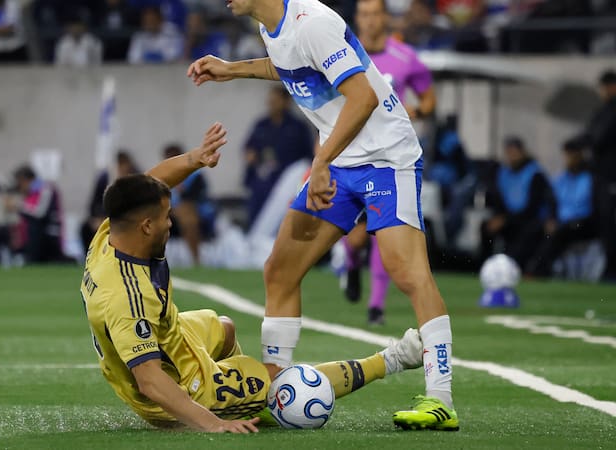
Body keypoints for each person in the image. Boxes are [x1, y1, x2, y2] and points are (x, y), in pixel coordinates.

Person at [187, 0, 458, 430]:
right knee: (280, 269)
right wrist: (232, 69)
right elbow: (289, 67)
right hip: (341, 159)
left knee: (407, 272)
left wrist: (320, 162)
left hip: (385, 157)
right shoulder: (271, 27)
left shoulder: (311, 23)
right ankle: (274, 390)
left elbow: (364, 97)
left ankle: (441, 399)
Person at [80, 122, 424, 432]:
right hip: (180, 385)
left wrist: (195, 159)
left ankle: (243, 391)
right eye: (166, 217)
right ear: (146, 226)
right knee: (285, 385)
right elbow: (150, 382)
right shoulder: (128, 298)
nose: (171, 223)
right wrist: (213, 423)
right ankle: (392, 359)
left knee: (224, 327)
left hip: (172, 336)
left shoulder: (112, 233)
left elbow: (152, 182)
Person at [342, 0, 437, 325]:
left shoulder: (405, 57)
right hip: (352, 156)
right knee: (355, 238)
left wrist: (416, 111)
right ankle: (351, 262)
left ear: (385, 17)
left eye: (374, 14)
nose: (369, 21)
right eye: (364, 15)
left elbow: (428, 98)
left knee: (385, 233)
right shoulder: (344, 54)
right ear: (357, 18)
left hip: (391, 161)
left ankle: (376, 306)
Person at [525, 139, 599, 277]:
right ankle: (522, 265)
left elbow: (598, 209)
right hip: (561, 222)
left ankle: (538, 271)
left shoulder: (591, 178)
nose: (568, 159)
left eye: (571, 155)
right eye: (566, 155)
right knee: (533, 228)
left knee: (559, 232)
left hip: (583, 224)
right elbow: (552, 202)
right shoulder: (562, 179)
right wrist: (551, 219)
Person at [480, 136, 556, 269]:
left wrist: (506, 219)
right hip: (510, 219)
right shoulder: (503, 173)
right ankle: (486, 265)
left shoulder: (535, 174)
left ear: (522, 152)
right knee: (486, 227)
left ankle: (517, 266)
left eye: (514, 152)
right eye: (509, 153)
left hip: (529, 220)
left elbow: (532, 208)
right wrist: (500, 218)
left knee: (526, 232)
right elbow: (499, 202)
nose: (512, 156)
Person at [243, 86, 312, 227]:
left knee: (283, 220)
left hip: (287, 181)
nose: (272, 104)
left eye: (276, 100)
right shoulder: (261, 125)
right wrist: (250, 155)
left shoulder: (298, 127)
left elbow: (308, 156)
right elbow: (249, 147)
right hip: (264, 179)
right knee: (257, 214)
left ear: (286, 102)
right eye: (271, 100)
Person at [580, 70, 616, 278]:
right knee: (603, 222)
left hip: (611, 177)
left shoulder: (611, 113)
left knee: (609, 222)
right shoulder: (602, 111)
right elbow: (591, 135)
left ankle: (612, 268)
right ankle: (609, 266)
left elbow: (598, 138)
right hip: (600, 176)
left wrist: (585, 142)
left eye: (605, 87)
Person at [162, 143, 216, 265]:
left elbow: (195, 197)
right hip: (171, 212)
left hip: (196, 211)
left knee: (187, 215)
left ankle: (196, 258)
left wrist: (181, 189)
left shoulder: (194, 175)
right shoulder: (164, 176)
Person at [7, 165, 65, 263]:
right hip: (37, 233)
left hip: (49, 233)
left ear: (25, 180)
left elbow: (40, 213)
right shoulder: (31, 192)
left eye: (20, 183)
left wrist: (18, 205)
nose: (19, 187)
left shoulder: (46, 188)